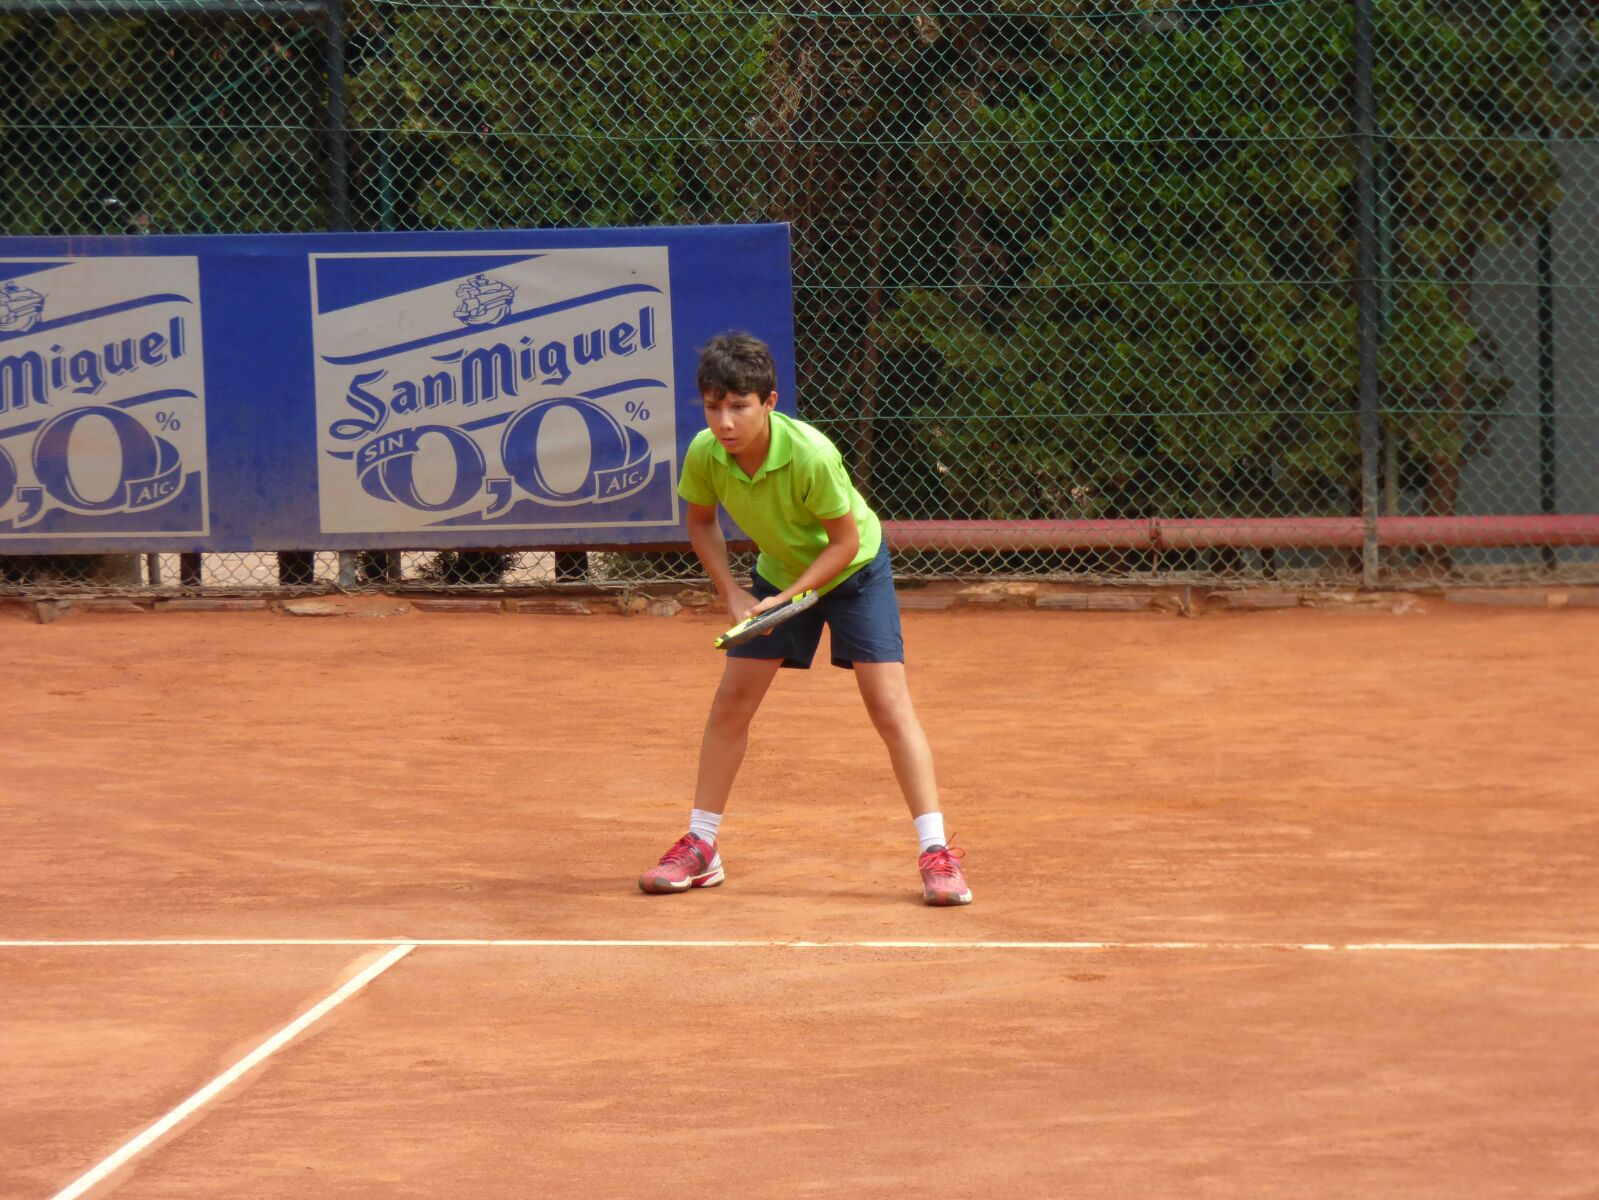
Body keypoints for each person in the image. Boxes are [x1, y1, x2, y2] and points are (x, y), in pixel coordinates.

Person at [638, 331, 970, 905]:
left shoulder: (811, 454)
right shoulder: (705, 452)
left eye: (739, 406)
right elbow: (701, 523)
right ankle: (702, 845)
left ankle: (936, 852)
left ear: (769, 402)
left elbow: (844, 543)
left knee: (888, 705)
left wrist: (788, 598)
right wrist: (733, 594)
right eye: (714, 407)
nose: (725, 422)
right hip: (779, 574)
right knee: (732, 701)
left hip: (854, 571)